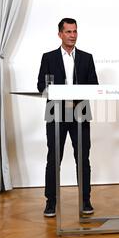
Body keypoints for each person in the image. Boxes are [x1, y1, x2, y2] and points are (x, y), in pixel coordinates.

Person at [37, 18, 99, 217]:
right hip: (56, 114)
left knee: (83, 159)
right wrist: (55, 90)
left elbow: (94, 84)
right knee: (54, 159)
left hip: (80, 113)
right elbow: (41, 85)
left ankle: (85, 200)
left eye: (75, 31)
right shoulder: (48, 57)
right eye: (68, 32)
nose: (72, 35)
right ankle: (51, 202)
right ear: (60, 34)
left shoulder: (86, 58)